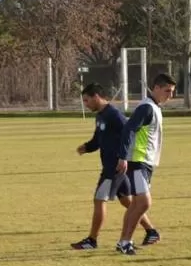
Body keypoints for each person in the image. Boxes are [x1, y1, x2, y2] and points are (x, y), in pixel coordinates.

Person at [71, 84, 161, 250]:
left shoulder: (113, 114)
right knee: (129, 202)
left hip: (115, 166)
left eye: (87, 100)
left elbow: (129, 133)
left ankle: (92, 240)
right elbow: (98, 140)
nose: (86, 104)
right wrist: (86, 147)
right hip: (115, 165)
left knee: (99, 199)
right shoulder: (100, 116)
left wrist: (124, 157)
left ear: (97, 96)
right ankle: (151, 231)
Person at [114, 73, 177, 255]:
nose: (170, 95)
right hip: (137, 161)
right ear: (156, 88)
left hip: (145, 162)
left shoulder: (154, 107)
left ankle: (122, 242)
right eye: (167, 91)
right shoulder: (147, 108)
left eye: (172, 92)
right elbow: (128, 129)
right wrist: (123, 156)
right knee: (143, 203)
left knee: (136, 204)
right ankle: (126, 242)